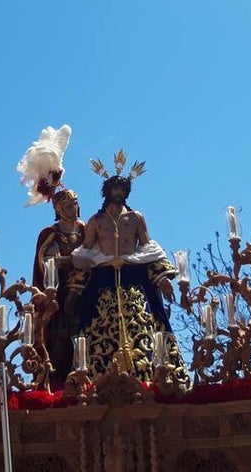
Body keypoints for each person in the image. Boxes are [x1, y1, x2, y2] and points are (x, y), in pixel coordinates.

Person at [70, 154, 188, 387]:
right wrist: (75, 284)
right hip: (103, 280)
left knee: (147, 323)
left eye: (122, 188)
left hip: (134, 277)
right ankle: (93, 380)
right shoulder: (96, 221)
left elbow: (149, 248)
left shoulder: (136, 218)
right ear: (107, 191)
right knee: (97, 328)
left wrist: (163, 277)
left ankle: (155, 377)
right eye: (115, 188)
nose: (119, 192)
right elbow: (85, 252)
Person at [30, 187, 89, 383]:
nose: (75, 209)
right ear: (60, 210)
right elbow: (47, 262)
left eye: (76, 204)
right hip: (58, 293)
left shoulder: (85, 229)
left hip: (84, 291)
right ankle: (56, 378)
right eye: (70, 206)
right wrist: (69, 261)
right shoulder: (50, 233)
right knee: (59, 338)